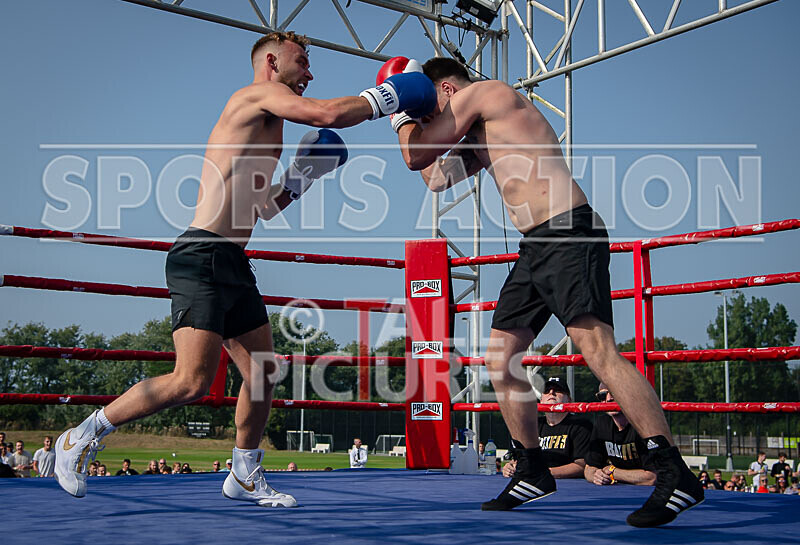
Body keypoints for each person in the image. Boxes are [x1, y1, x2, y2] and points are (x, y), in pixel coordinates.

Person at [52, 31, 436, 508]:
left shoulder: (269, 128)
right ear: (271, 62)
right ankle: (82, 435)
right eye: (302, 62)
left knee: (263, 372)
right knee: (191, 381)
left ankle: (244, 473)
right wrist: (389, 96)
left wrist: (301, 177)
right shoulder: (253, 97)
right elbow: (327, 114)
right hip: (202, 255)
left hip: (232, 259)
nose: (310, 72)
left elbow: (262, 208)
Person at [390, 55, 703, 526]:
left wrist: (398, 109)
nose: (433, 117)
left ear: (449, 90)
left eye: (432, 106)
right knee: (500, 358)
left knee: (598, 351)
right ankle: (533, 468)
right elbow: (433, 176)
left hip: (567, 232)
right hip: (536, 245)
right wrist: (406, 117)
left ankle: (672, 469)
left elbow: (416, 153)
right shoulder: (480, 134)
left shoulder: (485, 93)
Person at [503, 378, 591, 479]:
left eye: (558, 390)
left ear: (569, 400)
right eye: (546, 391)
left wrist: (543, 473)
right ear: (541, 400)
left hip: (568, 484)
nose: (551, 393)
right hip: (534, 481)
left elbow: (581, 466)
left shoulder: (580, 426)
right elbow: (518, 459)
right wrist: (510, 466)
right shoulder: (531, 426)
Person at [583, 383, 656, 488]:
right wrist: (597, 475)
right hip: (619, 490)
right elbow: (588, 468)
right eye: (603, 396)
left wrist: (613, 472)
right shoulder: (602, 423)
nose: (609, 399)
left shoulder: (643, 425)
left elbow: (651, 478)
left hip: (647, 492)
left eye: (614, 393)